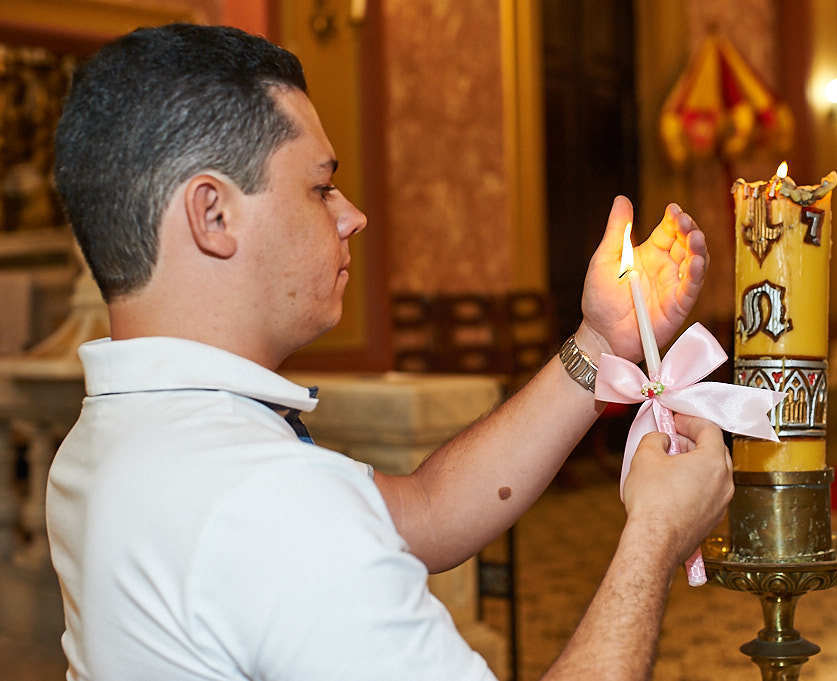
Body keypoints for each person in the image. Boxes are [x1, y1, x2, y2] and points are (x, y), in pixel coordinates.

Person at [46, 23, 732, 681]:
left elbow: (426, 512)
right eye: (320, 187)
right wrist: (654, 536)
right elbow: (296, 514)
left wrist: (600, 341)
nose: (352, 215)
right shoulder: (264, 502)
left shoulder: (105, 442)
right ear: (213, 214)